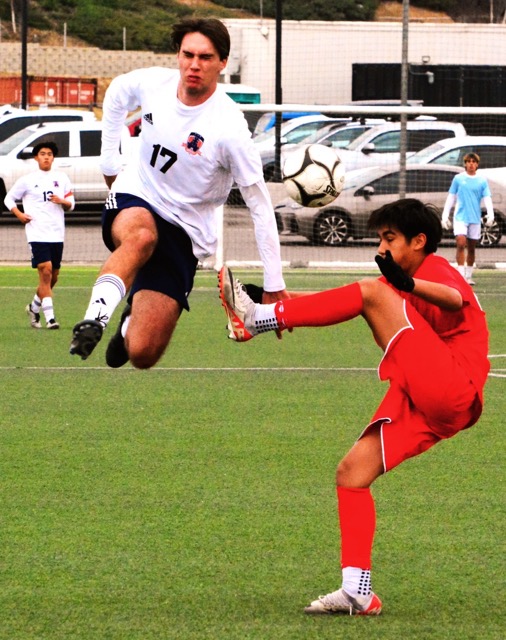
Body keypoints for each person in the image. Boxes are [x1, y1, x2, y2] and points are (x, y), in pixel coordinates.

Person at [219, 198, 489, 615]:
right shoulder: (402, 280)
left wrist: (408, 284)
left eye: (390, 238)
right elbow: (350, 300)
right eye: (381, 238)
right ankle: (357, 591)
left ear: (419, 242)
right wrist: (283, 303)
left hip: (453, 383)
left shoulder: (434, 269)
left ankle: (257, 320)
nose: (382, 247)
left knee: (371, 292)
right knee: (351, 474)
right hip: (431, 399)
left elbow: (455, 298)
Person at [69, 17, 287, 368]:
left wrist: (273, 281)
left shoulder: (230, 128)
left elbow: (260, 205)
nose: (194, 65)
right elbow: (116, 94)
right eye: (188, 54)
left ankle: (127, 326)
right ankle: (96, 317)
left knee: (143, 354)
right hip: (138, 195)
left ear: (222, 63)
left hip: (186, 231)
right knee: (140, 237)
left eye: (205, 57)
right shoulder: (153, 84)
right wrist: (110, 164)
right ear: (178, 54)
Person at [4, 141, 75, 330]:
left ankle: (34, 307)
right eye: (42, 153)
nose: (46, 157)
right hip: (36, 233)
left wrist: (63, 201)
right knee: (45, 271)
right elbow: (8, 198)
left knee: (53, 277)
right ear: (36, 158)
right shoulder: (27, 180)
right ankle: (50, 318)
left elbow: (71, 203)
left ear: (53, 157)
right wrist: (19, 214)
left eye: (50, 154)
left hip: (57, 233)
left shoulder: (62, 178)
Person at [441, 152, 494, 286]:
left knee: (471, 247)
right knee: (460, 242)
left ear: (477, 164)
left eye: (473, 162)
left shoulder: (482, 180)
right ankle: (460, 275)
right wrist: (445, 215)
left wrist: (491, 214)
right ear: (465, 164)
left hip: (474, 218)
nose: (471, 164)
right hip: (460, 217)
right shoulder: (458, 179)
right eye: (468, 161)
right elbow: (451, 197)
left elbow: (487, 198)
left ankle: (468, 276)